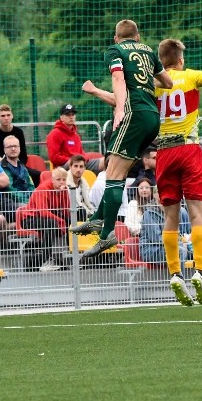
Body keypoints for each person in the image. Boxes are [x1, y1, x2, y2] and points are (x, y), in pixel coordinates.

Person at [82, 29, 202, 305]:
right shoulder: (190, 77)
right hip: (190, 148)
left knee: (170, 216)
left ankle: (174, 273)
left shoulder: (151, 84)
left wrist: (95, 90)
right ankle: (201, 273)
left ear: (159, 60)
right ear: (180, 59)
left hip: (164, 153)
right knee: (196, 214)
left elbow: (121, 100)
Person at [71, 19, 172, 260]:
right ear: (138, 37)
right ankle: (96, 221)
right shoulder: (148, 51)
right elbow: (167, 82)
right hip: (151, 119)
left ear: (116, 38)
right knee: (118, 172)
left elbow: (117, 80)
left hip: (133, 116)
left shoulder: (114, 51)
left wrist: (120, 110)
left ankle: (106, 234)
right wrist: (147, 79)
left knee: (112, 175)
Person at [22, 167, 70, 272]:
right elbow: (43, 211)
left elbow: (66, 209)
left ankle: (72, 255)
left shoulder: (64, 189)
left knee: (71, 220)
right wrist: (61, 221)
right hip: (31, 218)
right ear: (52, 180)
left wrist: (64, 194)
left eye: (64, 179)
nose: (61, 182)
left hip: (48, 217)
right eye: (58, 179)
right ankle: (45, 259)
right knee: (51, 223)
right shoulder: (43, 188)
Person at [45, 104, 103, 172]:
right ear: (61, 117)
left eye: (73, 114)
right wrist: (72, 160)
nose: (71, 117)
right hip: (62, 167)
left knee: (106, 162)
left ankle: (108, 182)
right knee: (76, 164)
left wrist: (82, 159)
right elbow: (53, 157)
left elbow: (82, 153)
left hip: (79, 163)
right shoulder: (55, 133)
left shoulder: (76, 136)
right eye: (68, 115)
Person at [0, 135, 35, 205]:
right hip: (13, 203)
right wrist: (28, 201)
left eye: (15, 146)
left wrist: (35, 198)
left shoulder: (22, 166)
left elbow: (31, 185)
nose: (13, 149)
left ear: (19, 148)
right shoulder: (2, 167)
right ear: (4, 150)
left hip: (28, 201)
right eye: (9, 147)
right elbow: (10, 190)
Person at [67, 154, 96, 219]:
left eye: (81, 167)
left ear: (84, 168)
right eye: (75, 166)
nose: (78, 169)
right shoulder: (65, 183)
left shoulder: (84, 183)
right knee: (81, 211)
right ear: (70, 167)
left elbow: (89, 202)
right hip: (70, 213)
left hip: (84, 212)